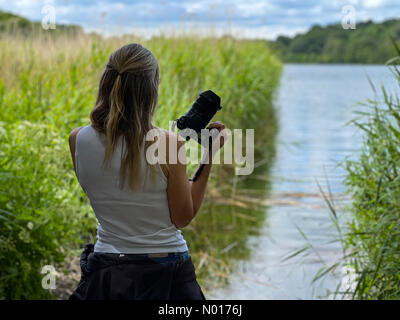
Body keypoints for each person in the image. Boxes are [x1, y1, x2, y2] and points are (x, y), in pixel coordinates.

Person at [67, 43, 226, 300]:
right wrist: (210, 155)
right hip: (167, 274)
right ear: (152, 89)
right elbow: (182, 217)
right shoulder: (168, 144)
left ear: (106, 82)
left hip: (107, 272)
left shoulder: (77, 140)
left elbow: (122, 194)